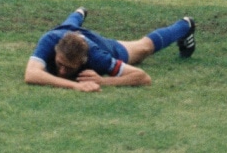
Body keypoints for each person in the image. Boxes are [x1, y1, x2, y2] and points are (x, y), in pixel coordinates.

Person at [25, 7, 196, 91]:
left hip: (103, 44)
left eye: (69, 68)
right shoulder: (49, 40)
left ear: (83, 61)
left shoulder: (98, 57)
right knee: (69, 25)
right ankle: (79, 12)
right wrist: (74, 86)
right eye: (60, 64)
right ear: (56, 51)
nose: (61, 71)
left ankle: (185, 25)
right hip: (66, 30)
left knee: (143, 48)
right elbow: (31, 74)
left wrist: (104, 81)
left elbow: (143, 77)